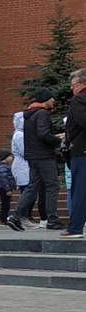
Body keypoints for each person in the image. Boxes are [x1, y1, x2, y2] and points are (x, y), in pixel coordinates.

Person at [17, 90, 63, 229]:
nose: (53, 100)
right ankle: (52, 219)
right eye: (51, 98)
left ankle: (16, 215)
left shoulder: (28, 115)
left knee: (32, 186)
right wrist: (57, 139)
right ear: (45, 100)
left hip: (32, 156)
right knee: (52, 186)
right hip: (44, 156)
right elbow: (43, 134)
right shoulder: (42, 113)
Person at [63, 70, 86, 239]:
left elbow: (81, 120)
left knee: (80, 190)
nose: (72, 89)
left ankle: (75, 227)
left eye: (74, 85)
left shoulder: (79, 99)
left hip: (82, 151)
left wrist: (68, 136)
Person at [10, 109, 32, 222]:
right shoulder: (19, 135)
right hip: (22, 166)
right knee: (26, 191)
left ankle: (25, 216)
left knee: (28, 190)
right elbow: (25, 151)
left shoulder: (21, 134)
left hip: (24, 165)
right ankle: (23, 216)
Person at [0, 149, 20, 230]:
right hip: (4, 188)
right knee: (5, 204)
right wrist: (8, 189)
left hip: (3, 187)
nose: (12, 158)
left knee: (6, 204)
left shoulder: (3, 166)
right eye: (10, 156)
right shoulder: (2, 167)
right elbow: (4, 178)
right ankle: (3, 220)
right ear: (5, 158)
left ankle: (4, 219)